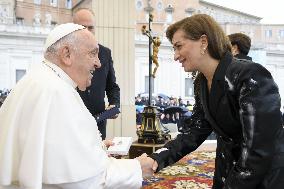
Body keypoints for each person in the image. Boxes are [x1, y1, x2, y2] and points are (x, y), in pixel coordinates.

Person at [0, 23, 152, 189]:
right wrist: (136, 168)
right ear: (67, 54)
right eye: (93, 54)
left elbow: (53, 154)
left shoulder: (39, 80)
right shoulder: (56, 92)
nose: (98, 64)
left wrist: (97, 146)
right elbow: (85, 181)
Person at [141, 14, 284, 189]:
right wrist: (158, 158)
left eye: (178, 46)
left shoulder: (251, 75)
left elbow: (258, 150)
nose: (175, 56)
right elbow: (195, 130)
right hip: (227, 168)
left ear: (203, 42)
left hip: (263, 177)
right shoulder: (201, 82)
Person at [73, 8, 120, 140]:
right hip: (74, 124)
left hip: (98, 124)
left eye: (91, 27)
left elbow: (112, 86)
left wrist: (114, 104)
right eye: (83, 28)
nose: (87, 32)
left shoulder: (105, 53)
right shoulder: (67, 53)